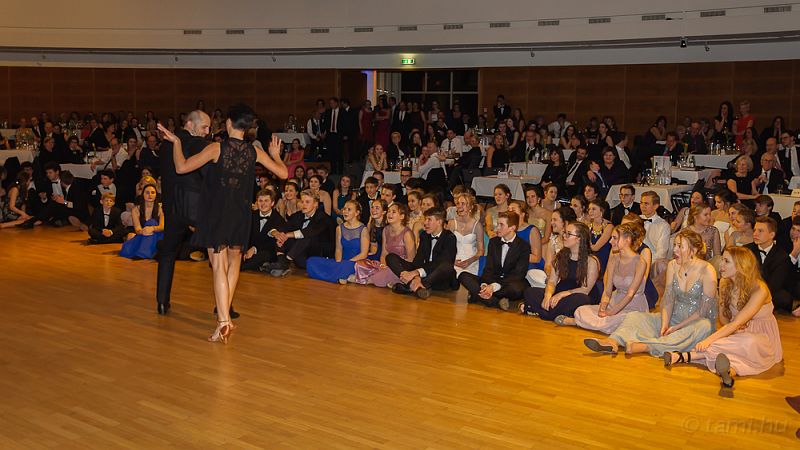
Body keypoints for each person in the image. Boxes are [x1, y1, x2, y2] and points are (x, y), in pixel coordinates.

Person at [159, 104, 289, 344]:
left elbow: (181, 167)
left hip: (217, 214)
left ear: (229, 123)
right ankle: (225, 317)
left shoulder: (216, 148)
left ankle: (223, 321)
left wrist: (176, 142)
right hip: (241, 214)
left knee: (218, 266)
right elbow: (283, 174)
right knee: (233, 264)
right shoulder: (254, 152)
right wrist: (276, 154)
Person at [663, 246, 782, 394]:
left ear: (740, 266)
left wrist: (709, 340)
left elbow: (736, 322)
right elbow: (725, 320)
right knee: (734, 350)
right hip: (735, 332)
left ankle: (685, 356)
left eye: (726, 261)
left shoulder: (760, 289)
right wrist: (733, 328)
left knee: (748, 342)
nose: (721, 265)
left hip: (763, 337)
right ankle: (729, 374)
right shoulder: (724, 282)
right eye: (722, 260)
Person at [585, 229, 717, 356]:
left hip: (694, 322)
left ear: (693, 250)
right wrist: (665, 324)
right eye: (674, 245)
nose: (674, 250)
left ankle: (646, 346)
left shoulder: (707, 270)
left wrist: (677, 328)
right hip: (673, 317)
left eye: (680, 246)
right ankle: (612, 342)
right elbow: (668, 299)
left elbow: (703, 311)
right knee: (634, 317)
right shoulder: (672, 265)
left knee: (703, 327)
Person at [155, 110, 212, 316]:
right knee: (217, 254)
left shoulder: (165, 145)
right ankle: (224, 306)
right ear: (189, 124)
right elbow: (208, 177)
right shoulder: (199, 145)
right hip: (195, 208)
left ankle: (162, 302)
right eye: (204, 127)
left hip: (172, 206)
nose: (207, 131)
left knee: (168, 253)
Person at [563, 223, 650, 332]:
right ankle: (598, 324)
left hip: (632, 307)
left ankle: (579, 322)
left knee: (623, 320)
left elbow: (630, 294)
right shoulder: (614, 259)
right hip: (614, 302)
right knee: (581, 310)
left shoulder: (640, 262)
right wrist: (603, 307)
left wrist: (611, 313)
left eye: (614, 238)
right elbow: (607, 290)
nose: (610, 241)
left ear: (627, 240)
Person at [521, 222, 601, 321]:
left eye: (569, 234)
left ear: (579, 239)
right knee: (530, 292)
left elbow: (585, 289)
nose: (564, 236)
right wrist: (548, 295)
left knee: (581, 299)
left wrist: (562, 294)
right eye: (564, 233)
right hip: (559, 294)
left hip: (576, 295)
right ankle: (554, 314)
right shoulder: (560, 256)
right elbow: (552, 281)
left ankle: (543, 313)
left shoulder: (592, 261)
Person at [460, 211, 530, 311]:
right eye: (497, 224)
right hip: (492, 279)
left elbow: (519, 274)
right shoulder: (493, 242)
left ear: (512, 228)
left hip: (509, 282)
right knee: (463, 276)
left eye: (501, 225)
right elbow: (488, 268)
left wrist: (494, 287)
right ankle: (495, 301)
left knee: (517, 289)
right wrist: (484, 284)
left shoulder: (523, 246)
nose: (497, 228)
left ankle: (478, 295)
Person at [387, 207, 457, 299]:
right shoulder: (424, 235)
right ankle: (415, 286)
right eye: (425, 219)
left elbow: (441, 262)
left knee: (446, 266)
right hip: (423, 272)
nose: (425, 223)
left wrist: (417, 273)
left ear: (439, 222)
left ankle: (413, 286)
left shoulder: (450, 237)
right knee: (390, 257)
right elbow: (418, 259)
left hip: (438, 277)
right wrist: (416, 275)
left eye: (429, 220)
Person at [264, 189, 335, 275]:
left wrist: (288, 235)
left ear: (316, 204)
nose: (304, 205)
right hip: (300, 257)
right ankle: (282, 262)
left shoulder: (323, 218)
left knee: (306, 237)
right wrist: (277, 234)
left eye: (307, 202)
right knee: (281, 236)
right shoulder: (298, 215)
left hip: (318, 256)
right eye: (302, 202)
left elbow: (310, 231)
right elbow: (284, 227)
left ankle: (284, 262)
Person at [348, 203, 416, 287]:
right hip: (387, 264)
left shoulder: (407, 234)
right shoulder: (386, 230)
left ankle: (364, 280)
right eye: (389, 211)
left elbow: (411, 260)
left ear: (402, 216)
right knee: (361, 264)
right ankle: (385, 279)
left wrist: (392, 267)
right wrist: (383, 265)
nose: (389, 214)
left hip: (400, 268)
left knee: (385, 274)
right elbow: (384, 253)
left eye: (393, 212)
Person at [306, 200, 370, 283]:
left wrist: (348, 262)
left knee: (345, 267)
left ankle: (338, 275)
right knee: (311, 261)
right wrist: (338, 263)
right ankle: (342, 276)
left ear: (357, 213)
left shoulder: (363, 229)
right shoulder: (339, 228)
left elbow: (364, 254)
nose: (345, 211)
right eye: (344, 209)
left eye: (349, 209)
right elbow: (338, 249)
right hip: (341, 262)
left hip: (355, 262)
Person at [746, 217, 793, 313]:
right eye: (754, 230)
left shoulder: (782, 256)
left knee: (783, 297)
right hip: (748, 289)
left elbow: (775, 284)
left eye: (760, 231)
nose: (755, 234)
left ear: (771, 235)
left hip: (769, 291)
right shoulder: (747, 250)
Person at [241, 189, 285, 272]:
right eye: (260, 201)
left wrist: (255, 249)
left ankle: (239, 267)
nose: (263, 204)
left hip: (267, 251)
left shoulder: (279, 219)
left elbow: (273, 243)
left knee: (262, 256)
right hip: (249, 249)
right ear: (257, 202)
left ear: (272, 203)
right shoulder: (251, 216)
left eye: (266, 201)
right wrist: (246, 250)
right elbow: (245, 235)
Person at [119, 183, 164, 259]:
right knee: (126, 250)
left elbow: (162, 226)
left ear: (156, 195)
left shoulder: (161, 208)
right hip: (143, 234)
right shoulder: (136, 210)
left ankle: (142, 254)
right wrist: (144, 231)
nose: (150, 195)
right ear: (143, 194)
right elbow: (137, 229)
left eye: (152, 192)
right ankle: (147, 252)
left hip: (157, 234)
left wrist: (152, 228)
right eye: (147, 192)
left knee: (151, 222)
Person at [449, 192, 483, 277]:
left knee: (465, 277)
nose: (459, 206)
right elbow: (445, 246)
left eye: (463, 204)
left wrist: (470, 261)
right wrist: (452, 260)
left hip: (471, 262)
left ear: (470, 207)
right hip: (454, 260)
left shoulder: (477, 225)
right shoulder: (452, 223)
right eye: (458, 204)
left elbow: (481, 251)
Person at [587, 199, 613, 272]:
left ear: (602, 211)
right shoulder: (588, 225)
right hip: (589, 259)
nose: (590, 211)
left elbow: (596, 248)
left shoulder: (608, 226)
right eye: (589, 209)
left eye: (593, 209)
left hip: (603, 260)